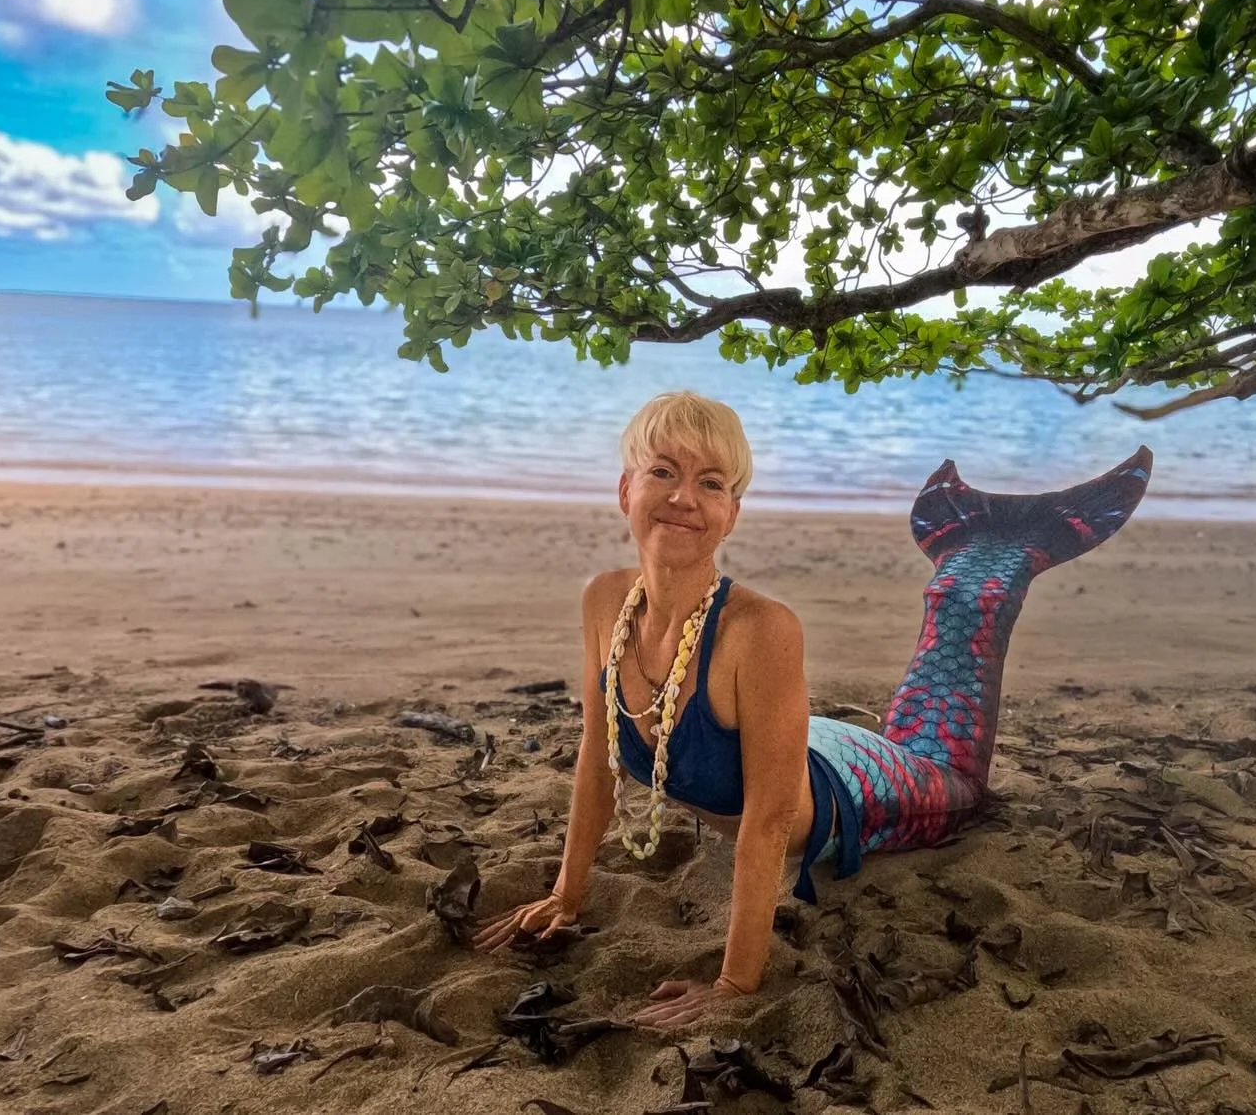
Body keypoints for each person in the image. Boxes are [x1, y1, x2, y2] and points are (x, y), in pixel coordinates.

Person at [473, 391, 1152, 1031]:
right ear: (626, 490)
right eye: (662, 471)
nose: (684, 497)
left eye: (712, 482)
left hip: (843, 790)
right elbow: (598, 756)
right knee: (899, 742)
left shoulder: (762, 630)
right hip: (797, 743)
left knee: (955, 783)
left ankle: (983, 563)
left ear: (732, 513)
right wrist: (566, 896)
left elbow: (767, 826)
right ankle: (968, 558)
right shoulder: (604, 601)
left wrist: (734, 985)